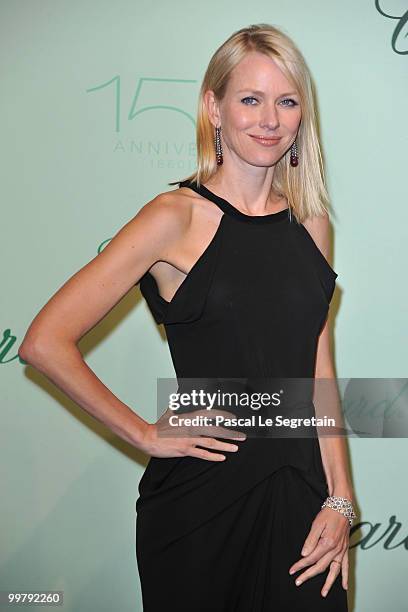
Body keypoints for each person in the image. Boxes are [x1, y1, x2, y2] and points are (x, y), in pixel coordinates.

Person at [18, 23, 356, 612]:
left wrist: (342, 498)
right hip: (201, 508)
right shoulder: (174, 217)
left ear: (303, 114)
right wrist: (145, 433)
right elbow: (45, 341)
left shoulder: (313, 224)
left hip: (302, 497)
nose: (269, 119)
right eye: (250, 99)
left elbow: (316, 364)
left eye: (286, 101)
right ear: (214, 108)